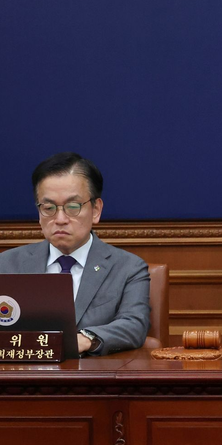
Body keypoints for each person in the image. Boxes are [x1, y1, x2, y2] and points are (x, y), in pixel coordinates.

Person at [0, 152, 150, 355]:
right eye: (49, 207)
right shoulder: (7, 265)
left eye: (72, 207)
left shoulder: (128, 268)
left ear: (96, 210)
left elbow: (134, 325)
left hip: (92, 380)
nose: (60, 218)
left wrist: (85, 339)